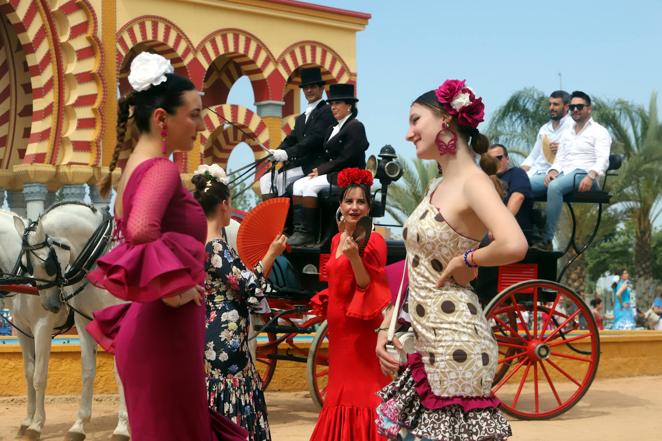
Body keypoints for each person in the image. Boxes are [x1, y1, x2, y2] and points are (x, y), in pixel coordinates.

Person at [85, 52, 247, 441]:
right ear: (162, 118)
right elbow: (142, 230)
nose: (199, 124)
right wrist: (175, 291)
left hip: (149, 331)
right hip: (164, 335)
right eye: (192, 114)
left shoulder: (131, 172)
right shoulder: (159, 168)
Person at [374, 80, 528, 441]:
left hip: (456, 342)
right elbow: (416, 265)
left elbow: (513, 243)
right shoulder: (436, 186)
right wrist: (388, 324)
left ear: (445, 120)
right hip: (427, 340)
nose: (409, 133)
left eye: (415, 120)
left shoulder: (474, 182)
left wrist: (468, 259)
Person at [192, 164, 287, 441]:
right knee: (233, 398)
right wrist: (272, 254)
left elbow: (243, 283)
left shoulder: (204, 244)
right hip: (226, 339)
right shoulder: (216, 246)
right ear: (224, 205)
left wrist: (268, 254)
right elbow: (251, 288)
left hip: (214, 332)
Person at [308, 168, 392, 441]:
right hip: (339, 328)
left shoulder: (376, 240)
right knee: (339, 392)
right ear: (340, 205)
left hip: (362, 329)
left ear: (369, 207)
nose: (354, 207)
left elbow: (368, 285)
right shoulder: (334, 240)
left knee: (364, 392)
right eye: (349, 201)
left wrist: (355, 257)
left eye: (361, 202)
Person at [288, 83, 369, 246]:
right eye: (331, 104)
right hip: (331, 172)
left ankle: (309, 234)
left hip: (347, 174)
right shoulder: (332, 127)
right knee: (298, 185)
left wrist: (321, 170)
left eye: (337, 103)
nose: (333, 107)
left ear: (349, 105)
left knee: (310, 187)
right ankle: (299, 230)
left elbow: (347, 157)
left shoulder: (356, 127)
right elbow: (325, 155)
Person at [530, 91, 611, 251]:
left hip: (585, 175)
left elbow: (603, 160)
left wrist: (591, 176)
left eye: (579, 106)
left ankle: (546, 240)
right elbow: (560, 159)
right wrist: (552, 171)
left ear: (589, 109)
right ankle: (529, 232)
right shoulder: (568, 132)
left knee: (555, 187)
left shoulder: (599, 131)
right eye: (573, 107)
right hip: (565, 174)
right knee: (524, 184)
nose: (575, 110)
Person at [259, 67, 335, 199]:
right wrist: (276, 152)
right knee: (265, 180)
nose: (309, 90)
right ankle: (271, 216)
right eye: (306, 88)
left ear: (321, 88)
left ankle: (285, 217)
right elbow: (291, 138)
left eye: (313, 87)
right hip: (299, 165)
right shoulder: (301, 118)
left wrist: (287, 153)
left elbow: (313, 139)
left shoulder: (326, 111)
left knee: (282, 180)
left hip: (314, 165)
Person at [488, 144, 534, 242]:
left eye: (498, 158)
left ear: (507, 158)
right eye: (491, 160)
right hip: (490, 233)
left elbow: (518, 197)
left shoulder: (517, 173)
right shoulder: (486, 179)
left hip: (516, 233)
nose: (495, 162)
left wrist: (499, 227)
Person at [522, 90, 573, 178]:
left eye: (555, 104)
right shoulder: (544, 129)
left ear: (566, 107)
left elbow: (581, 153)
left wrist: (563, 149)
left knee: (522, 185)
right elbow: (533, 156)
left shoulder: (573, 126)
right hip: (535, 172)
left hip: (555, 174)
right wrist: (520, 170)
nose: (551, 108)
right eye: (550, 104)